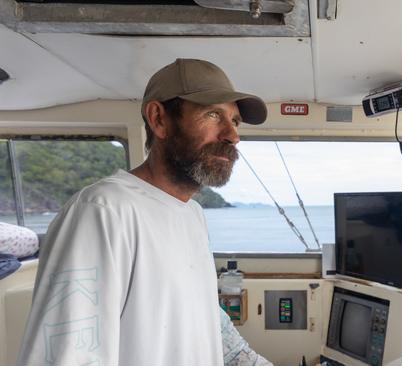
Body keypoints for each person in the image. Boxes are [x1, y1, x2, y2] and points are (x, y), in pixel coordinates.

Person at [17, 58, 268, 366]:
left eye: (235, 121)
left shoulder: (192, 215)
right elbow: (67, 356)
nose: (232, 135)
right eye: (213, 114)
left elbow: (198, 320)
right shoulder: (102, 211)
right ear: (158, 119)